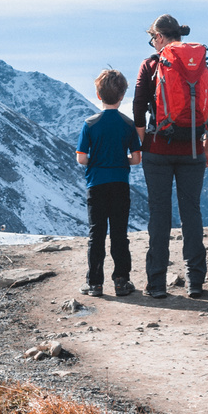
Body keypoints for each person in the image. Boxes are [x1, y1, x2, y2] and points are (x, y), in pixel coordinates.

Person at [133, 14, 208, 299]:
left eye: (152, 38)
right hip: (192, 149)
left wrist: (143, 143)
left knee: (160, 213)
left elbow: (138, 106)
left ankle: (156, 283)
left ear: (159, 37)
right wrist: (205, 148)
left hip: (157, 149)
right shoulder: (201, 65)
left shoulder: (151, 64)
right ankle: (195, 282)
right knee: (191, 212)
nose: (152, 43)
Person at [76, 68, 142, 298]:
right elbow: (136, 158)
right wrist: (117, 159)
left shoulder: (90, 124)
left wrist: (100, 159)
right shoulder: (128, 124)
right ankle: (122, 281)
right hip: (120, 184)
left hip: (96, 184)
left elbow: (81, 158)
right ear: (123, 95)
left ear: (98, 95)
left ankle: (94, 283)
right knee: (119, 234)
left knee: (97, 234)